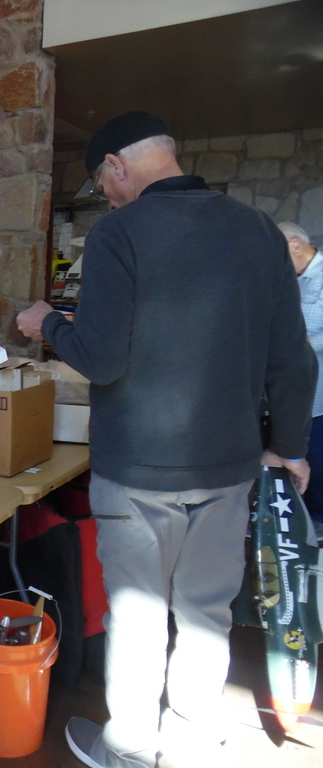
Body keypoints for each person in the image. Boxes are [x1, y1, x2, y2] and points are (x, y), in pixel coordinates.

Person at [17, 111, 316, 768]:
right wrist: (288, 446)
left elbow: (101, 358)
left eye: (103, 183)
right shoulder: (258, 230)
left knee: (139, 616)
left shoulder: (119, 233)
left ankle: (128, 751)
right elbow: (295, 361)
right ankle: (191, 737)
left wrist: (48, 324)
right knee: (206, 611)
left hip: (137, 472)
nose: (107, 196)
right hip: (228, 467)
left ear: (117, 166)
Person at [277, 220, 323, 541]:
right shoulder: (290, 280)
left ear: (295, 244)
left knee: (318, 461)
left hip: (320, 395)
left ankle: (316, 526)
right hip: (295, 394)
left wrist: (300, 343)